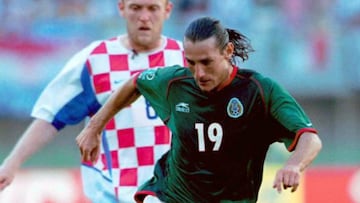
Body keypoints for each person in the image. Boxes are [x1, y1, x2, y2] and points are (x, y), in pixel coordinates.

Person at [76, 16, 322, 203]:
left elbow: (309, 138)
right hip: (172, 196)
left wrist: (294, 165)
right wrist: (94, 127)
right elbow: (134, 82)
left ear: (228, 52)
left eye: (206, 62)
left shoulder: (259, 91)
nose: (199, 73)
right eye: (190, 63)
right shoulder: (175, 84)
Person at [0, 0, 186, 202]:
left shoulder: (185, 60)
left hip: (168, 191)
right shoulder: (96, 58)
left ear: (167, 10)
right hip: (110, 189)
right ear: (121, 8)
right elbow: (51, 116)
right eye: (136, 7)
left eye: (152, 8)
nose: (144, 16)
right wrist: (12, 162)